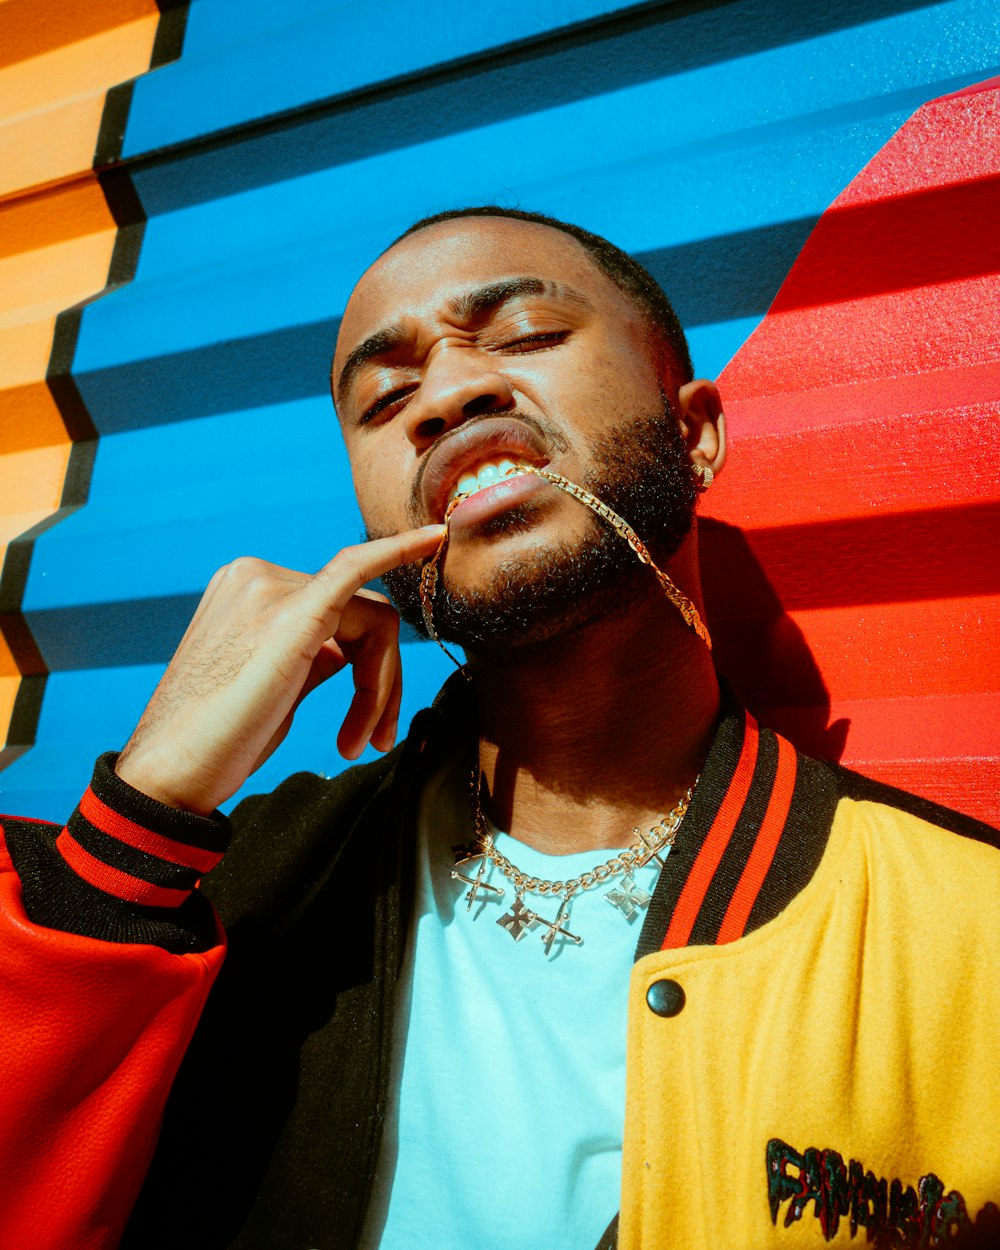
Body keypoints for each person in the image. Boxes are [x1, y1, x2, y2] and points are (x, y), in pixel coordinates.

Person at [1, 208, 997, 1250]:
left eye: (522, 335)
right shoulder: (234, 894)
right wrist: (146, 801)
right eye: (386, 397)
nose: (445, 393)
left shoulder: (967, 931)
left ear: (694, 433)